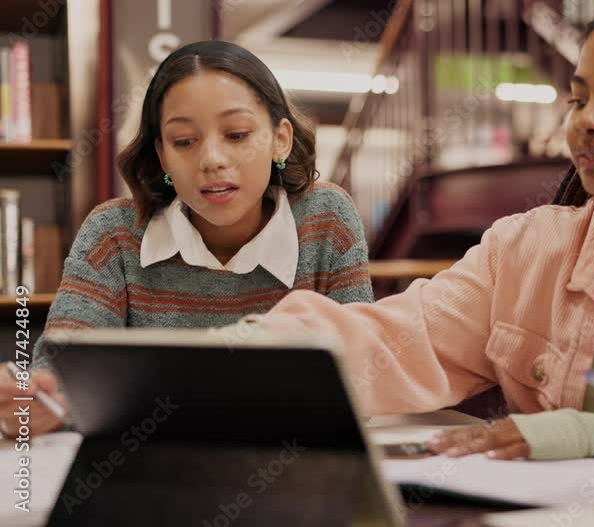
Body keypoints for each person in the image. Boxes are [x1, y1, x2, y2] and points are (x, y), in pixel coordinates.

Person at [250, 0, 594, 471]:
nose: (587, 122)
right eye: (578, 100)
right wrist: (240, 353)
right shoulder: (528, 250)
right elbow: (397, 341)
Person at [0, 40, 373, 438]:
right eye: (184, 142)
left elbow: (366, 373)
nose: (211, 159)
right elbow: (58, 372)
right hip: (146, 474)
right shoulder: (113, 234)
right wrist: (37, 400)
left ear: (280, 139)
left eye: (236, 134)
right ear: (162, 155)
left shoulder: (327, 219)